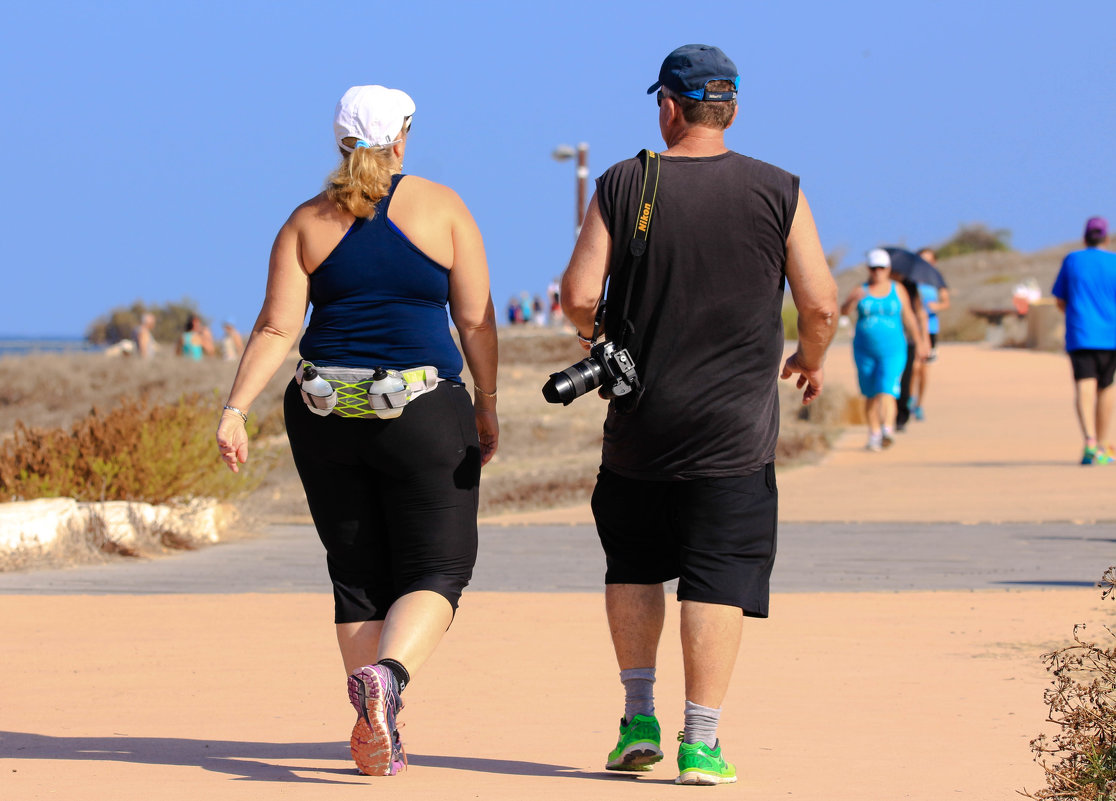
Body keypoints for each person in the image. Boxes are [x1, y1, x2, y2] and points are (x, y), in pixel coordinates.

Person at [559, 44, 838, 785]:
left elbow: (580, 295)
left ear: (669, 108)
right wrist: (810, 359)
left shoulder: (625, 181)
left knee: (634, 566)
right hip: (734, 438)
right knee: (715, 579)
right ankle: (702, 743)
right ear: (733, 109)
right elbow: (820, 302)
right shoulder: (779, 188)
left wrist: (603, 344)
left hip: (640, 429)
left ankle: (637, 719)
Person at [214, 84, 499, 777]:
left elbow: (279, 326)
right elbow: (476, 321)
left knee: (357, 576)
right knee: (439, 568)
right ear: (402, 136)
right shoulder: (443, 207)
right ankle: (388, 679)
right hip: (422, 411)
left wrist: (234, 408)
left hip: (323, 412)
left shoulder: (306, 221)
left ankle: (374, 726)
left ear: (340, 140)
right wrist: (487, 403)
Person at [840, 249, 924, 450]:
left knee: (887, 389)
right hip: (864, 350)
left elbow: (910, 317)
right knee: (870, 393)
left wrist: (920, 342)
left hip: (893, 349)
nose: (878, 271)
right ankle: (874, 433)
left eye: (882, 268)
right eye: (874, 268)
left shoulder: (898, 289)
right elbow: (843, 312)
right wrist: (852, 301)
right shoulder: (861, 289)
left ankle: (888, 429)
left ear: (888, 269)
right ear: (869, 269)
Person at [1051, 216, 1116, 464]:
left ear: (1084, 237)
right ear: (1107, 238)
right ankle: (1101, 444)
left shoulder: (1073, 260)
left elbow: (1059, 299)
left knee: (1084, 386)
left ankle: (1089, 441)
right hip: (1111, 335)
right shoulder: (1114, 262)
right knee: (1107, 386)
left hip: (1081, 333)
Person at [909, 248, 950, 421]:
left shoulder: (936, 279)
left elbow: (945, 301)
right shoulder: (910, 279)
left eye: (928, 260)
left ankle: (919, 404)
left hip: (931, 329)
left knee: (924, 369)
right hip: (914, 328)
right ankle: (909, 398)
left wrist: (936, 307)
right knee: (913, 367)